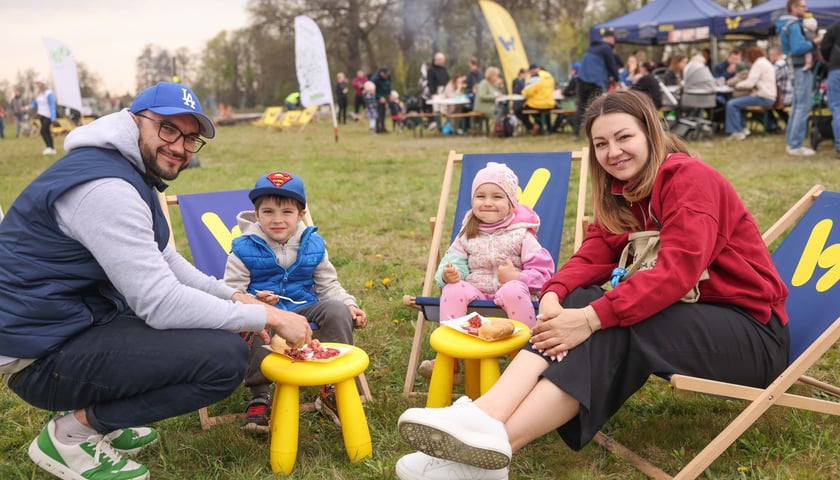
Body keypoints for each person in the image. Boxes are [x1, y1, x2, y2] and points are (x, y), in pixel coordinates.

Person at [393, 89, 790, 480]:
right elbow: (592, 254)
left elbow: (677, 273)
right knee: (583, 298)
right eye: (601, 144)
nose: (613, 152)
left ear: (650, 132)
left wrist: (591, 318)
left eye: (623, 137)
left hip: (751, 335)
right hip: (691, 319)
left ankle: (490, 443)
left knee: (617, 322)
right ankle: (487, 425)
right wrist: (554, 294)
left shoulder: (690, 178)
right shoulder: (624, 192)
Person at [0, 81, 313, 480]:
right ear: (135, 121)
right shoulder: (107, 188)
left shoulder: (125, 168)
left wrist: (238, 298)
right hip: (37, 355)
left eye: (190, 138)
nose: (180, 147)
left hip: (65, 325)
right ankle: (71, 435)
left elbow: (167, 262)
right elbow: (160, 304)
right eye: (168, 129)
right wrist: (269, 317)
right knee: (222, 359)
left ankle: (100, 416)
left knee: (208, 330)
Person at [224, 170, 368, 431]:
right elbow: (232, 291)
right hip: (266, 310)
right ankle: (260, 394)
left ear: (301, 214)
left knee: (337, 310)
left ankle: (333, 387)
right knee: (257, 319)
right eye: (268, 212)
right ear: (256, 214)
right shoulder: (243, 248)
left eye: (287, 212)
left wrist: (349, 304)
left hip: (304, 306)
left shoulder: (313, 245)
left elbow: (328, 285)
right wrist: (254, 300)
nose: (277, 220)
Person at [417, 161, 555, 381]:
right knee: (453, 289)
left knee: (513, 289)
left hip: (512, 297)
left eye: (497, 197)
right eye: (480, 196)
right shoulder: (468, 233)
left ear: (511, 203)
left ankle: (528, 357)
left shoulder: (522, 234)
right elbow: (452, 262)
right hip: (476, 295)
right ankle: (450, 360)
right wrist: (449, 274)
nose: (488, 202)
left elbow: (545, 274)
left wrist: (516, 277)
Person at [778, 0, 823, 156]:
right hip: (801, 69)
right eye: (803, 6)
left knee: (797, 106)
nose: (806, 9)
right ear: (794, 7)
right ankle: (795, 145)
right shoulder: (794, 25)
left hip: (795, 69)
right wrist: (815, 42)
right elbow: (798, 48)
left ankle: (792, 142)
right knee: (803, 107)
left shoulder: (785, 24)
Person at [573, 30, 619, 140]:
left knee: (581, 106)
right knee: (595, 108)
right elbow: (612, 65)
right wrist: (617, 79)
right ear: (611, 38)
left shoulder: (591, 48)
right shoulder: (606, 48)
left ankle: (575, 134)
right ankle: (590, 134)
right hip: (595, 81)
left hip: (582, 79)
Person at [725, 47, 778, 141]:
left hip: (763, 97)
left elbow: (750, 83)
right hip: (769, 96)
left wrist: (736, 85)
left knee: (732, 104)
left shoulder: (758, 64)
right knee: (738, 103)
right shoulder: (766, 62)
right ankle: (743, 128)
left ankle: (737, 132)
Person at [821, 18, 840, 158]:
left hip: (836, 68)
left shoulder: (834, 26)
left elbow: (824, 47)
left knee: (837, 108)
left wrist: (831, 61)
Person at [519, 64, 556, 135]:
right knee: (542, 113)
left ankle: (532, 127)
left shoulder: (535, 78)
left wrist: (522, 92)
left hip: (537, 104)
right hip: (549, 104)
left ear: (532, 71)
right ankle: (546, 128)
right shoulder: (549, 76)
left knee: (518, 111)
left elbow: (527, 93)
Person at [768, 45, 793, 133]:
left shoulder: (780, 64)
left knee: (768, 102)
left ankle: (773, 126)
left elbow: (770, 78)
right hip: (792, 94)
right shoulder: (788, 61)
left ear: (774, 55)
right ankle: (788, 124)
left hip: (786, 95)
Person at [32, 76, 57, 155]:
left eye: (38, 83)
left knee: (43, 131)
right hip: (41, 115)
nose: (37, 85)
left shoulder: (49, 93)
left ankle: (49, 147)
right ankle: (51, 148)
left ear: (43, 84)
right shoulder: (38, 94)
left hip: (48, 115)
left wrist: (53, 117)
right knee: (47, 132)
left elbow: (52, 105)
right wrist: (26, 107)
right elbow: (34, 105)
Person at [371, 66, 391, 133]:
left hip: (384, 98)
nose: (386, 75)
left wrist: (387, 96)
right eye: (385, 74)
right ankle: (378, 128)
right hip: (376, 99)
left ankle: (383, 127)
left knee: (383, 113)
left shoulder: (388, 78)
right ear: (381, 73)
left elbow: (388, 87)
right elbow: (372, 90)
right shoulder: (375, 79)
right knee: (377, 113)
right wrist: (379, 97)